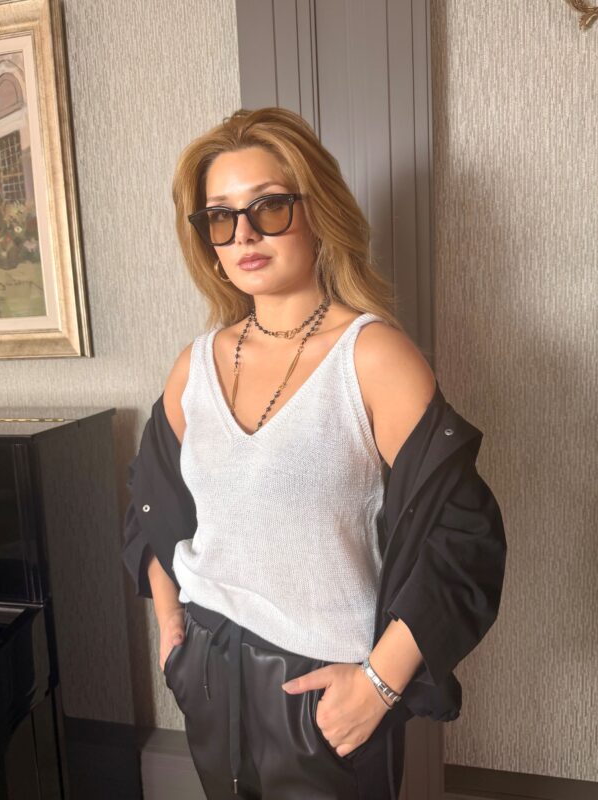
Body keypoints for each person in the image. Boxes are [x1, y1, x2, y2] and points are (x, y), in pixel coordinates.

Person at [128, 106, 507, 800]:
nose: (244, 234)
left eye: (269, 207)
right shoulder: (195, 365)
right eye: (220, 217)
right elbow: (151, 501)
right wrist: (170, 625)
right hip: (207, 673)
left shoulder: (372, 357)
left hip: (320, 695)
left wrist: (380, 683)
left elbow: (465, 539)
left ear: (319, 211)